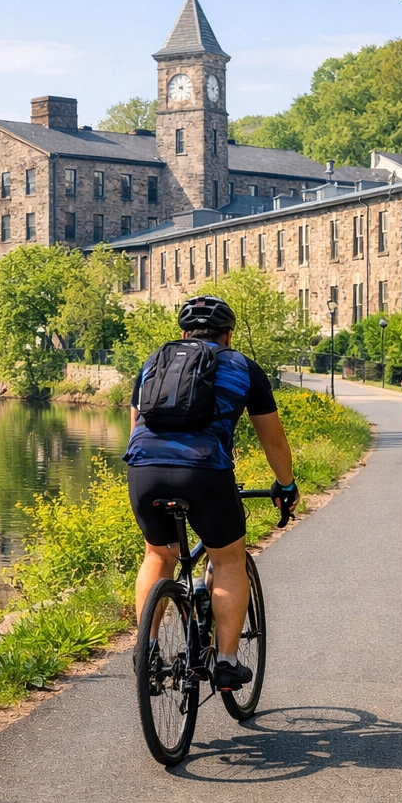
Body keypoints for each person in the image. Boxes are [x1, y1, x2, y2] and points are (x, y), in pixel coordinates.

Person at [125, 295, 299, 691]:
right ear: (229, 336)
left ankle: (147, 653)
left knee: (157, 552)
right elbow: (273, 441)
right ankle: (225, 662)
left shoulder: (154, 362)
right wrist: (285, 485)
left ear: (183, 333)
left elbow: (136, 424)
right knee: (227, 558)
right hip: (204, 472)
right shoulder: (243, 367)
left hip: (143, 469)